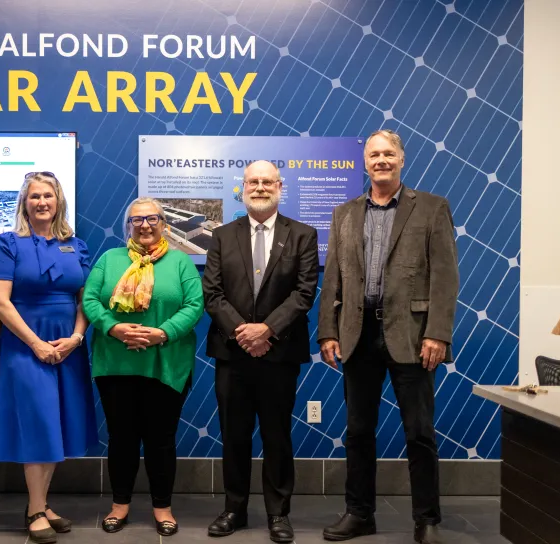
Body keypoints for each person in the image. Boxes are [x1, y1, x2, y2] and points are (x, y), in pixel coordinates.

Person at [318, 129, 458, 544]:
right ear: (365, 163)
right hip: (358, 335)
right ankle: (360, 514)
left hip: (413, 337)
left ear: (401, 159)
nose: (381, 160)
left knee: (419, 432)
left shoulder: (431, 208)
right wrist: (328, 328)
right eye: (374, 154)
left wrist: (437, 332)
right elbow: (334, 279)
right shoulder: (344, 213)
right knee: (358, 431)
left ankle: (427, 520)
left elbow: (446, 277)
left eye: (388, 153)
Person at [202, 160, 319, 544]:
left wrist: (267, 330)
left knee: (277, 435)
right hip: (232, 354)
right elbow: (213, 293)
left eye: (267, 181)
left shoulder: (302, 235)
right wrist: (244, 333)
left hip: (279, 353)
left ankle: (278, 514)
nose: (260, 187)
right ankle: (233, 508)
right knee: (234, 435)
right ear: (243, 187)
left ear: (280, 186)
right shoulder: (221, 235)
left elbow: (304, 294)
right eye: (253, 181)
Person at [0, 172, 98, 544]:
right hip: (25, 344)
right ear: (24, 203)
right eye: (34, 196)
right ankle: (35, 510)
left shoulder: (75, 245)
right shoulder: (8, 244)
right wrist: (36, 344)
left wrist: (77, 337)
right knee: (39, 423)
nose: (41, 202)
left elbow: (85, 299)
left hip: (66, 346)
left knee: (57, 424)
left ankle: (42, 503)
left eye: (47, 195)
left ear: (58, 201)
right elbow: (0, 301)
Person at [82, 197, 204, 537]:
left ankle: (162, 507)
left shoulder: (181, 262)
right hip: (116, 362)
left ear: (164, 224)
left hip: (166, 363)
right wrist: (114, 328)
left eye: (152, 219)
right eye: (137, 220)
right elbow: (90, 299)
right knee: (121, 438)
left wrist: (162, 333)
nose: (145, 225)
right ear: (128, 227)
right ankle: (119, 505)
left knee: (160, 440)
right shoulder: (110, 259)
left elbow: (195, 306)